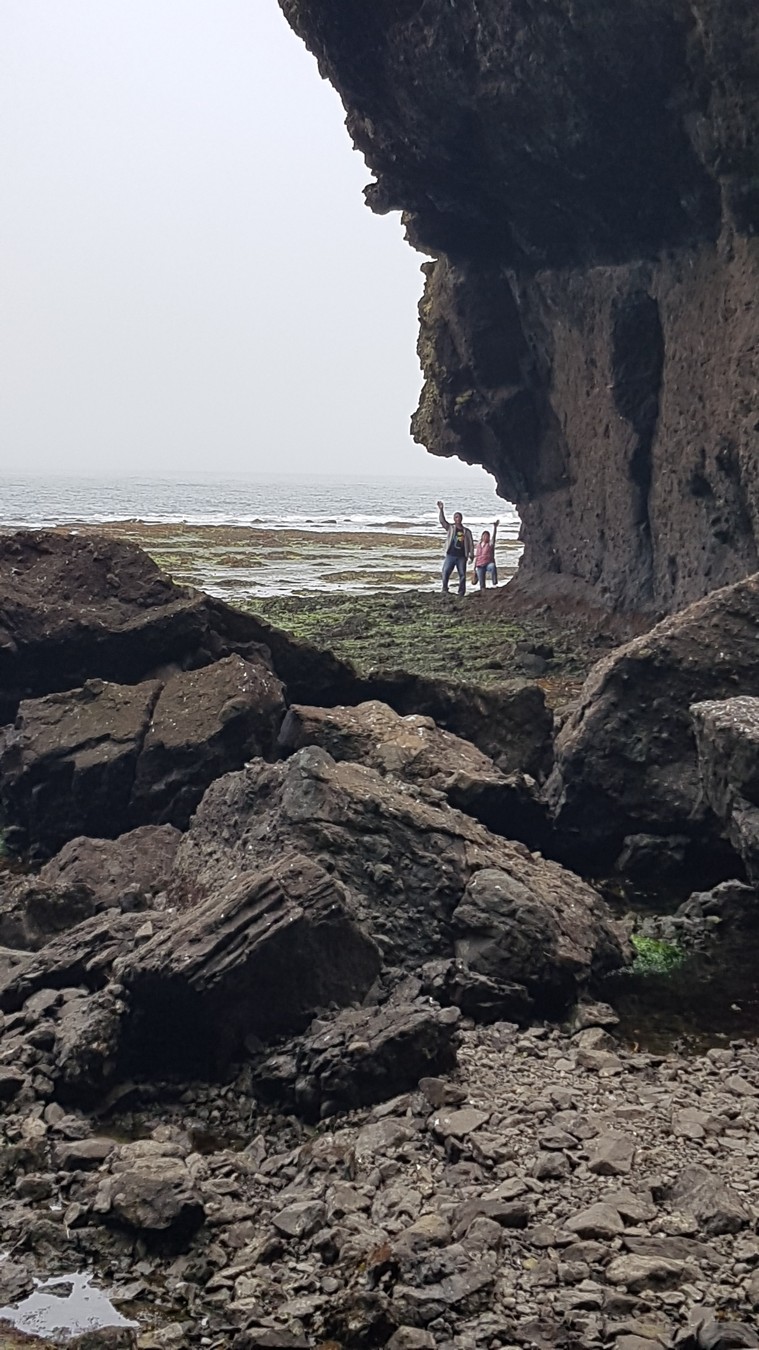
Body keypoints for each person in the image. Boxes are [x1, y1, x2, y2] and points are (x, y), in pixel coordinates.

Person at [437, 499, 474, 595]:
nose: (458, 519)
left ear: (461, 519)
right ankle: (445, 589)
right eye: (456, 517)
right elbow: (442, 521)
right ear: (454, 519)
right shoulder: (451, 528)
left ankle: (461, 592)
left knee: (462, 575)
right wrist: (441, 510)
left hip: (462, 556)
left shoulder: (467, 531)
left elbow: (471, 544)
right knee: (445, 572)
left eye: (459, 517)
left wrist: (471, 554)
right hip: (451, 554)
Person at [474, 520, 500, 590]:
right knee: (482, 585)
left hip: (488, 564)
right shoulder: (478, 545)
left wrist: (495, 528)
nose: (486, 537)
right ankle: (483, 591)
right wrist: (474, 568)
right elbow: (477, 556)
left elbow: (494, 538)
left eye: (487, 536)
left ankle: (494, 582)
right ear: (482, 536)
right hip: (480, 565)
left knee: (493, 566)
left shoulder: (490, 544)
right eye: (484, 535)